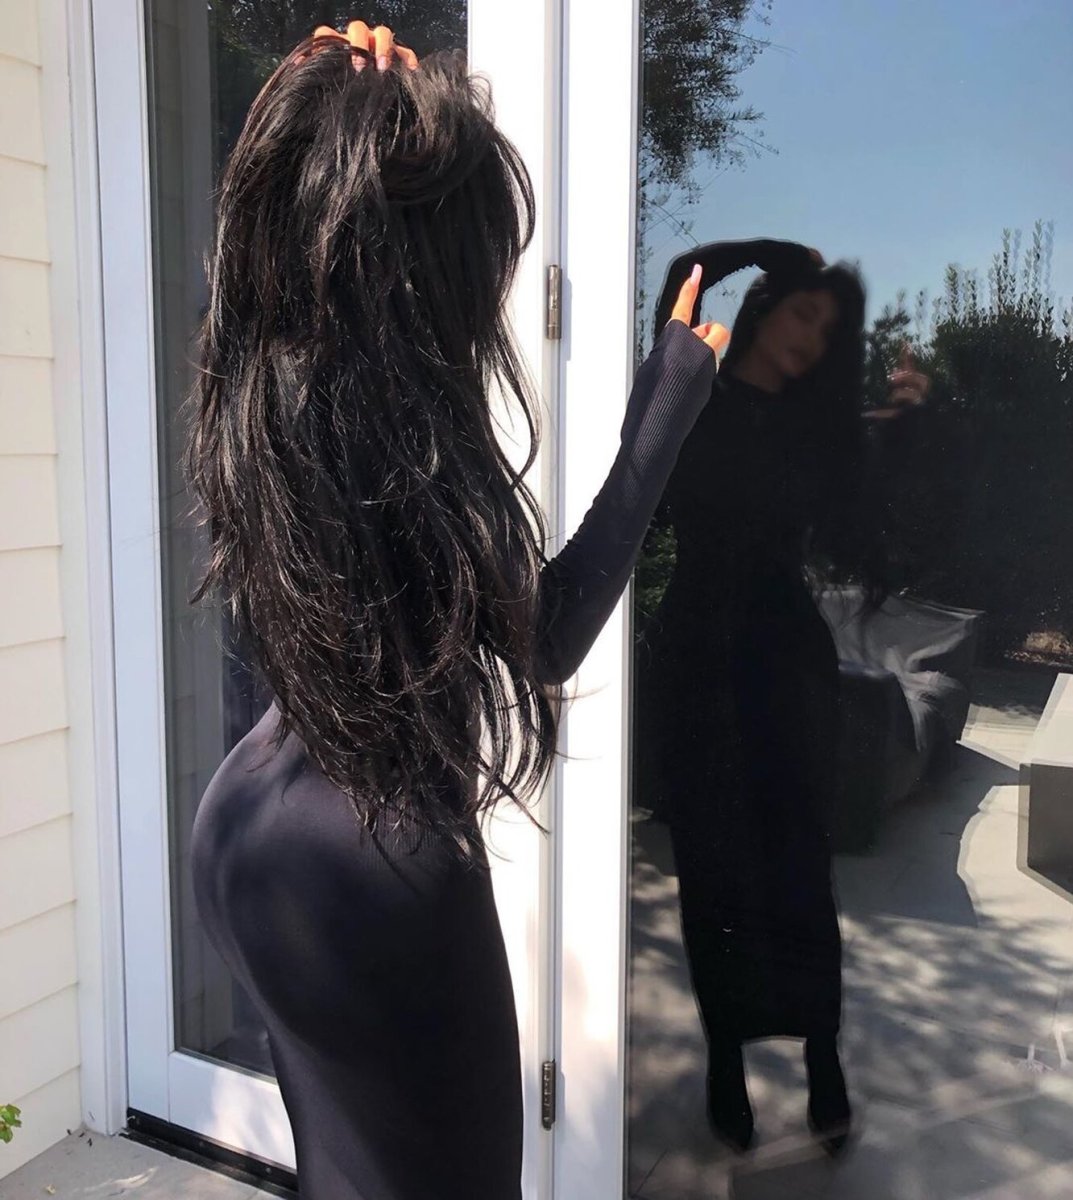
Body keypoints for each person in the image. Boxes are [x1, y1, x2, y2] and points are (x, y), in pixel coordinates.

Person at [187, 21, 727, 1200]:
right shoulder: (411, 456)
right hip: (375, 873)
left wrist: (307, 105)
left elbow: (251, 274)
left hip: (242, 830)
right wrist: (668, 402)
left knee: (345, 1165)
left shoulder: (265, 402)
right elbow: (550, 634)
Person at [639, 239, 927, 1156]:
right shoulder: (691, 395)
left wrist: (908, 424)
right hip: (695, 661)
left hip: (784, 666)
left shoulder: (815, 432)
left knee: (798, 869)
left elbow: (868, 487)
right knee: (712, 872)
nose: (811, 336)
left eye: (826, 328)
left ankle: (821, 1057)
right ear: (765, 307)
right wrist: (765, 252)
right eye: (803, 311)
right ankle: (725, 1059)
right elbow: (679, 288)